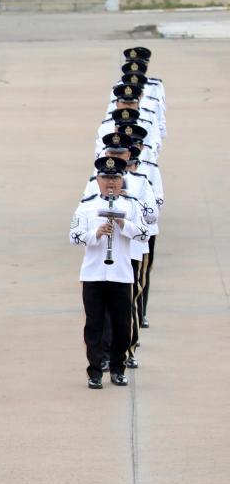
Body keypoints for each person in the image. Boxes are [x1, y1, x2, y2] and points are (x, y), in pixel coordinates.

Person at [70, 156, 149, 388]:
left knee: (122, 325)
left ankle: (118, 368)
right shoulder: (87, 205)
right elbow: (73, 236)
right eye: (106, 177)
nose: (111, 182)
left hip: (121, 274)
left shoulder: (131, 205)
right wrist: (95, 234)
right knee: (94, 325)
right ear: (98, 179)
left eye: (115, 177)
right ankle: (95, 371)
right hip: (93, 275)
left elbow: (145, 233)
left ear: (122, 179)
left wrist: (124, 226)